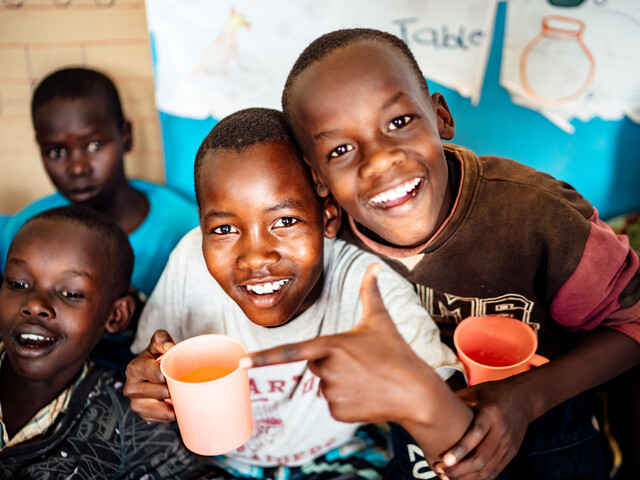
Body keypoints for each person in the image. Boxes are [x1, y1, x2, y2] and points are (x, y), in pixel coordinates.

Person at [241, 28, 640, 480]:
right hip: (417, 442)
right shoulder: (331, 243)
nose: (379, 161)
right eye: (341, 149)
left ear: (441, 117)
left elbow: (632, 323)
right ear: (317, 179)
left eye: (398, 122)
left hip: (551, 433)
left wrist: (528, 397)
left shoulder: (538, 218)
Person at [123, 107, 473, 480]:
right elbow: (148, 364)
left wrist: (410, 390)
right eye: (224, 229)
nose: (256, 258)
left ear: (328, 217)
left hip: (333, 455)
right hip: (213, 460)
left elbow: (451, 411)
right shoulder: (190, 260)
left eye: (285, 222)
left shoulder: (368, 288)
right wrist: (146, 387)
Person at [0, 67, 199, 373]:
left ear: (126, 135)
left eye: (94, 145)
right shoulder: (27, 230)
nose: (77, 167)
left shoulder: (183, 228)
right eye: (56, 151)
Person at [0, 205, 219, 479]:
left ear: (116, 316)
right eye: (18, 284)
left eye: (70, 293)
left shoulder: (128, 425)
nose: (35, 305)